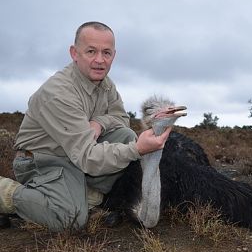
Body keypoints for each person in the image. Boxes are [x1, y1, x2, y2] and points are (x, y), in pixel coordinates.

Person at [0, 21, 171, 231]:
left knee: (125, 134)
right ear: (74, 53)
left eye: (106, 53)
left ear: (114, 56)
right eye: (91, 51)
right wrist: (137, 149)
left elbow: (121, 118)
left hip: (76, 154)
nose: (100, 60)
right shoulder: (59, 94)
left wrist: (100, 122)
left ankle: (85, 193)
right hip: (43, 160)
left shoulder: (105, 84)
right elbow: (88, 158)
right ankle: (7, 192)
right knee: (70, 219)